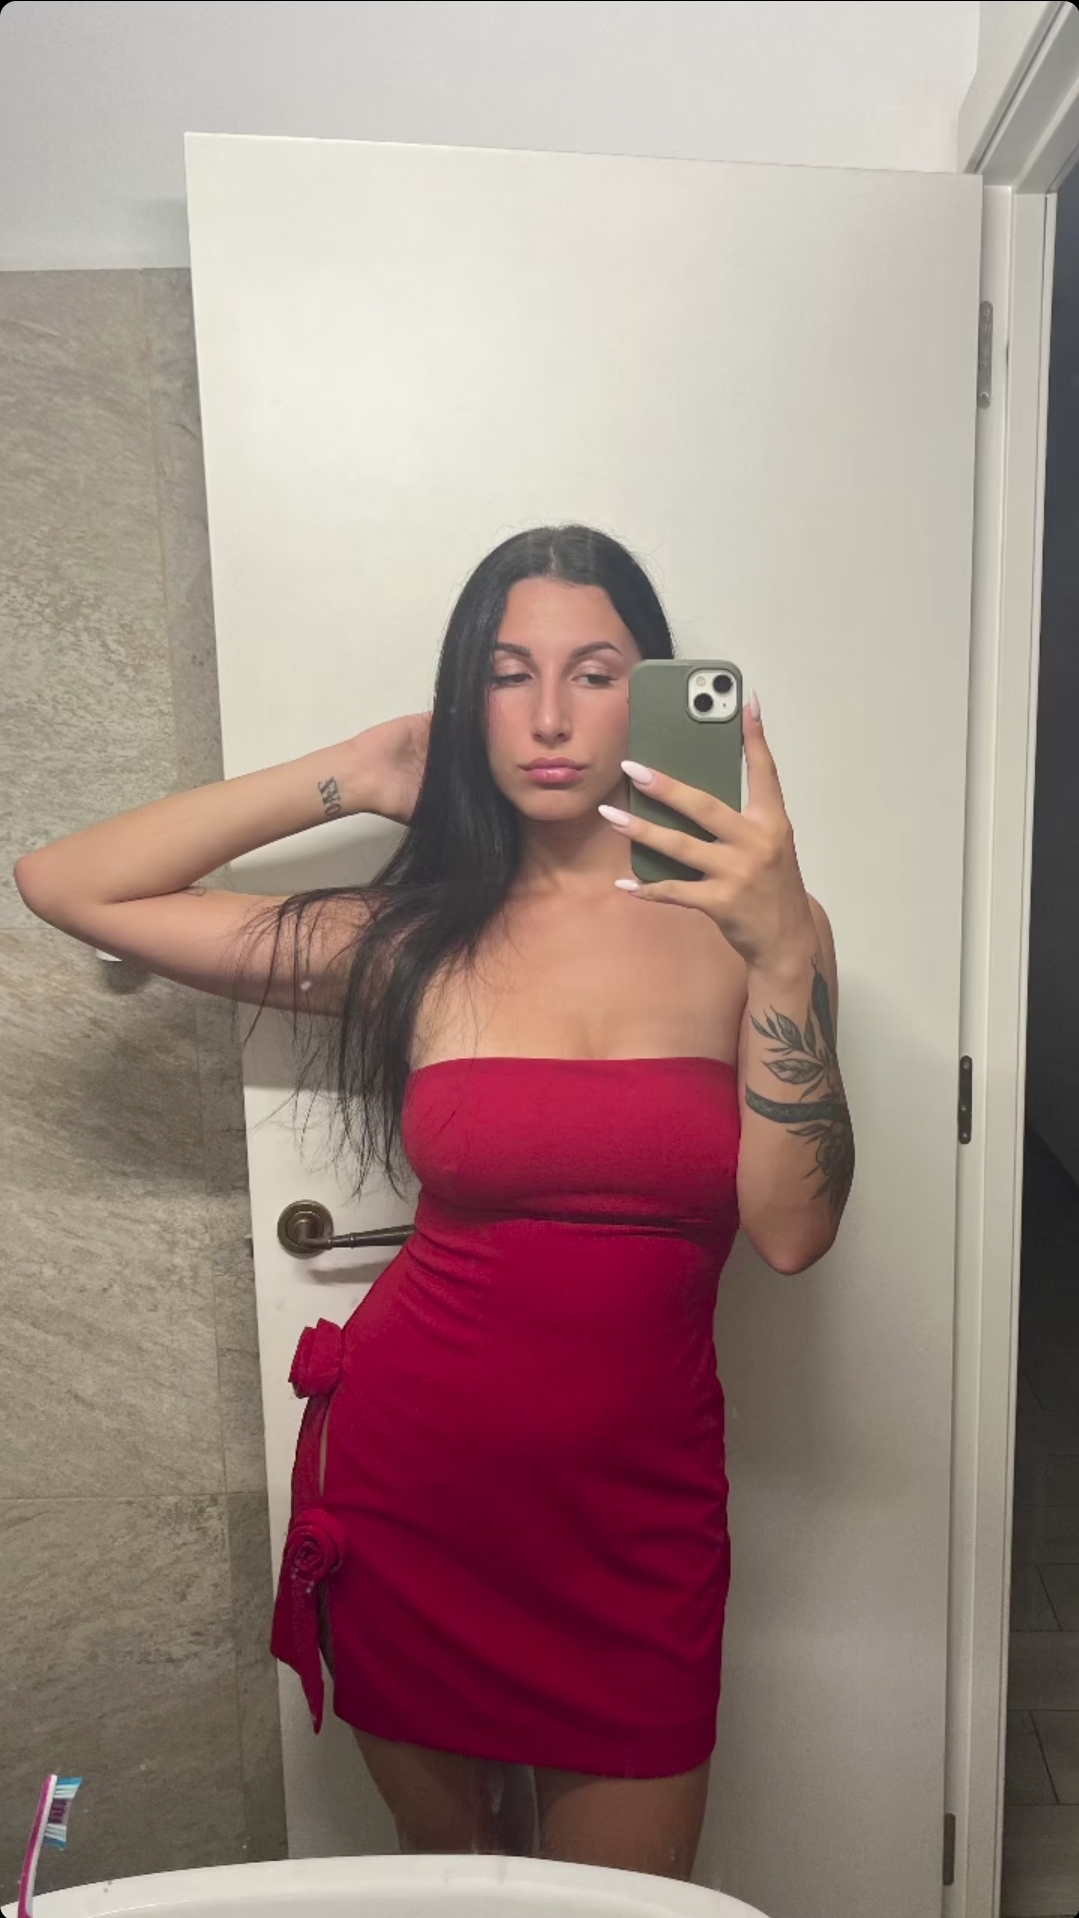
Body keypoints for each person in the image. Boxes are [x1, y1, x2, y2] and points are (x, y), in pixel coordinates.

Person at [14, 524, 853, 1883]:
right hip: (415, 1497)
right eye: (508, 674)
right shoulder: (408, 936)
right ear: (468, 701)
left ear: (652, 695)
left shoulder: (759, 934)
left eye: (595, 673)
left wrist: (786, 950)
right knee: (448, 1879)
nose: (548, 715)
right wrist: (357, 770)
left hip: (635, 1524)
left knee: (622, 1907)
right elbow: (69, 883)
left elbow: (794, 1230)